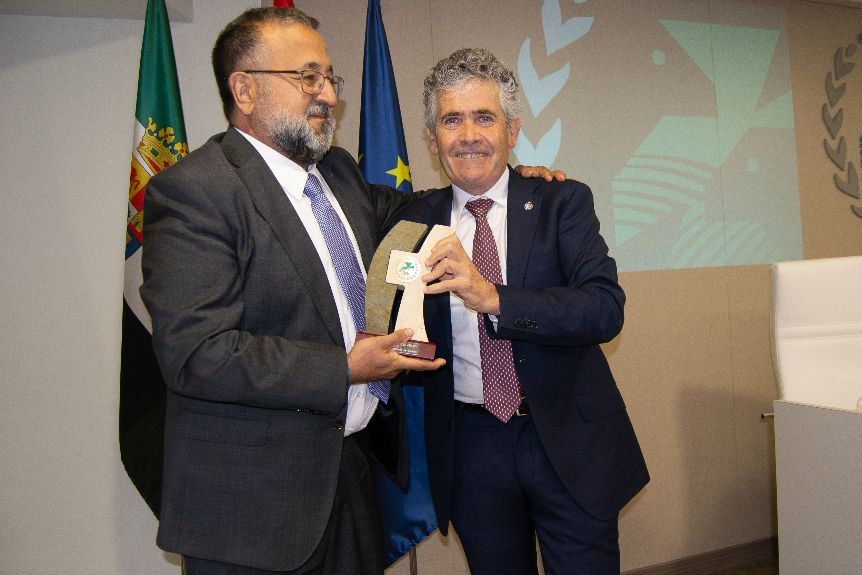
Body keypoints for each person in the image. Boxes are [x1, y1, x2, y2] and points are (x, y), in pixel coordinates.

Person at [140, 8, 558, 574]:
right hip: (255, 513)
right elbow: (197, 353)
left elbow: (419, 211)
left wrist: (504, 179)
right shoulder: (195, 192)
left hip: (352, 477)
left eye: (329, 79)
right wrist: (345, 367)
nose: (327, 96)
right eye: (306, 77)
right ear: (244, 89)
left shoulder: (334, 171)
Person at [392, 48, 650, 575]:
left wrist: (495, 299)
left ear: (512, 131)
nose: (468, 135)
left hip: (567, 438)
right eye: (451, 120)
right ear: (432, 136)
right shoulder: (411, 220)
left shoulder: (562, 201)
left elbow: (604, 309)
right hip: (471, 446)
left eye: (484, 117)